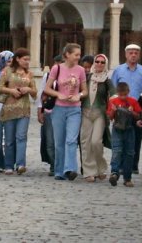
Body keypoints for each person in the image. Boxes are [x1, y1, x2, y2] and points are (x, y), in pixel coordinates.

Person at [44, 43, 88, 181]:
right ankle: (59, 171)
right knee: (59, 141)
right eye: (76, 54)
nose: (78, 57)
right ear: (67, 54)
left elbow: (85, 90)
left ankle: (70, 169)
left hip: (74, 109)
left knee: (71, 140)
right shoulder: (56, 68)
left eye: (79, 55)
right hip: (59, 108)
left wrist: (78, 96)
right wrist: (58, 94)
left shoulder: (80, 70)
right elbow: (47, 88)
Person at [0, 47, 37, 175]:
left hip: (24, 110)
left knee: (21, 137)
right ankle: (8, 165)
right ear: (17, 59)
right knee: (9, 140)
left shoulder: (29, 74)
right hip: (9, 109)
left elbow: (35, 92)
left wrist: (28, 90)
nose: (27, 62)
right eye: (25, 59)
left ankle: (20, 164)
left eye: (28, 60)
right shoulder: (7, 71)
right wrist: (11, 91)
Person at [111, 43, 142, 173]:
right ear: (126, 54)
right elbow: (113, 88)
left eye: (136, 53)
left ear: (139, 55)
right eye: (131, 53)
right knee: (120, 134)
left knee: (136, 136)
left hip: (136, 105)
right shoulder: (118, 70)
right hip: (121, 106)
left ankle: (133, 165)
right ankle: (120, 165)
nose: (133, 55)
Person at [80, 54, 115, 183]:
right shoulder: (87, 77)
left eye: (102, 62)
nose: (99, 64)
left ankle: (101, 167)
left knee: (96, 142)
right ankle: (89, 172)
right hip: (85, 112)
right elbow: (80, 89)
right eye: (97, 61)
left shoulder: (107, 80)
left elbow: (113, 93)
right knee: (85, 142)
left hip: (99, 113)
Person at [107, 81, 142, 187]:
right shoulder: (113, 101)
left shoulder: (133, 101)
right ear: (117, 93)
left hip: (129, 129)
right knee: (117, 151)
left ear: (128, 92)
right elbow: (110, 117)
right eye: (121, 95)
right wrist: (113, 111)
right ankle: (114, 173)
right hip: (117, 129)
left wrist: (132, 112)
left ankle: (127, 177)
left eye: (125, 95)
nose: (123, 97)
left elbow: (138, 116)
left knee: (129, 153)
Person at [36, 54, 63, 176]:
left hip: (63, 110)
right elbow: (42, 94)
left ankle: (62, 165)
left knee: (61, 140)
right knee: (50, 141)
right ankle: (53, 164)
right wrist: (40, 111)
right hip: (49, 111)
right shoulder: (47, 77)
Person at [0, 50, 14, 172]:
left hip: (10, 111)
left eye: (11, 61)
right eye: (8, 61)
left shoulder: (15, 74)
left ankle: (9, 163)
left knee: (9, 140)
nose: (10, 63)